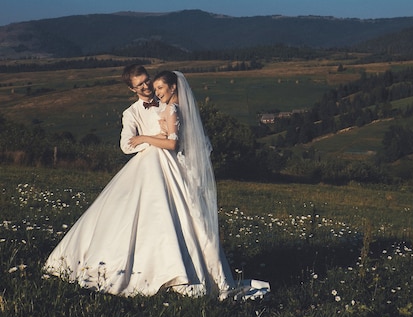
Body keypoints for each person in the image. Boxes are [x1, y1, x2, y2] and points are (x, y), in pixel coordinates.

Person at [44, 65, 269, 299]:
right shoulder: (131, 113)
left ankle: (187, 271)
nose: (146, 86)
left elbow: (181, 138)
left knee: (182, 216)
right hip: (147, 166)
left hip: (173, 166)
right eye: (139, 84)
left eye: (146, 80)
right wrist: (150, 141)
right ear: (132, 89)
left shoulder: (168, 101)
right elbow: (126, 145)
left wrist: (158, 138)